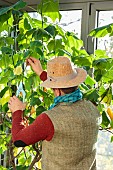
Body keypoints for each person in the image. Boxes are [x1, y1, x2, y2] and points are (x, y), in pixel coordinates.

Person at [8, 56, 100, 170]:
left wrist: (17, 111)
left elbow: (18, 139)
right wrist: (42, 73)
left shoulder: (49, 119)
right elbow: (63, 89)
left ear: (56, 90)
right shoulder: (92, 108)